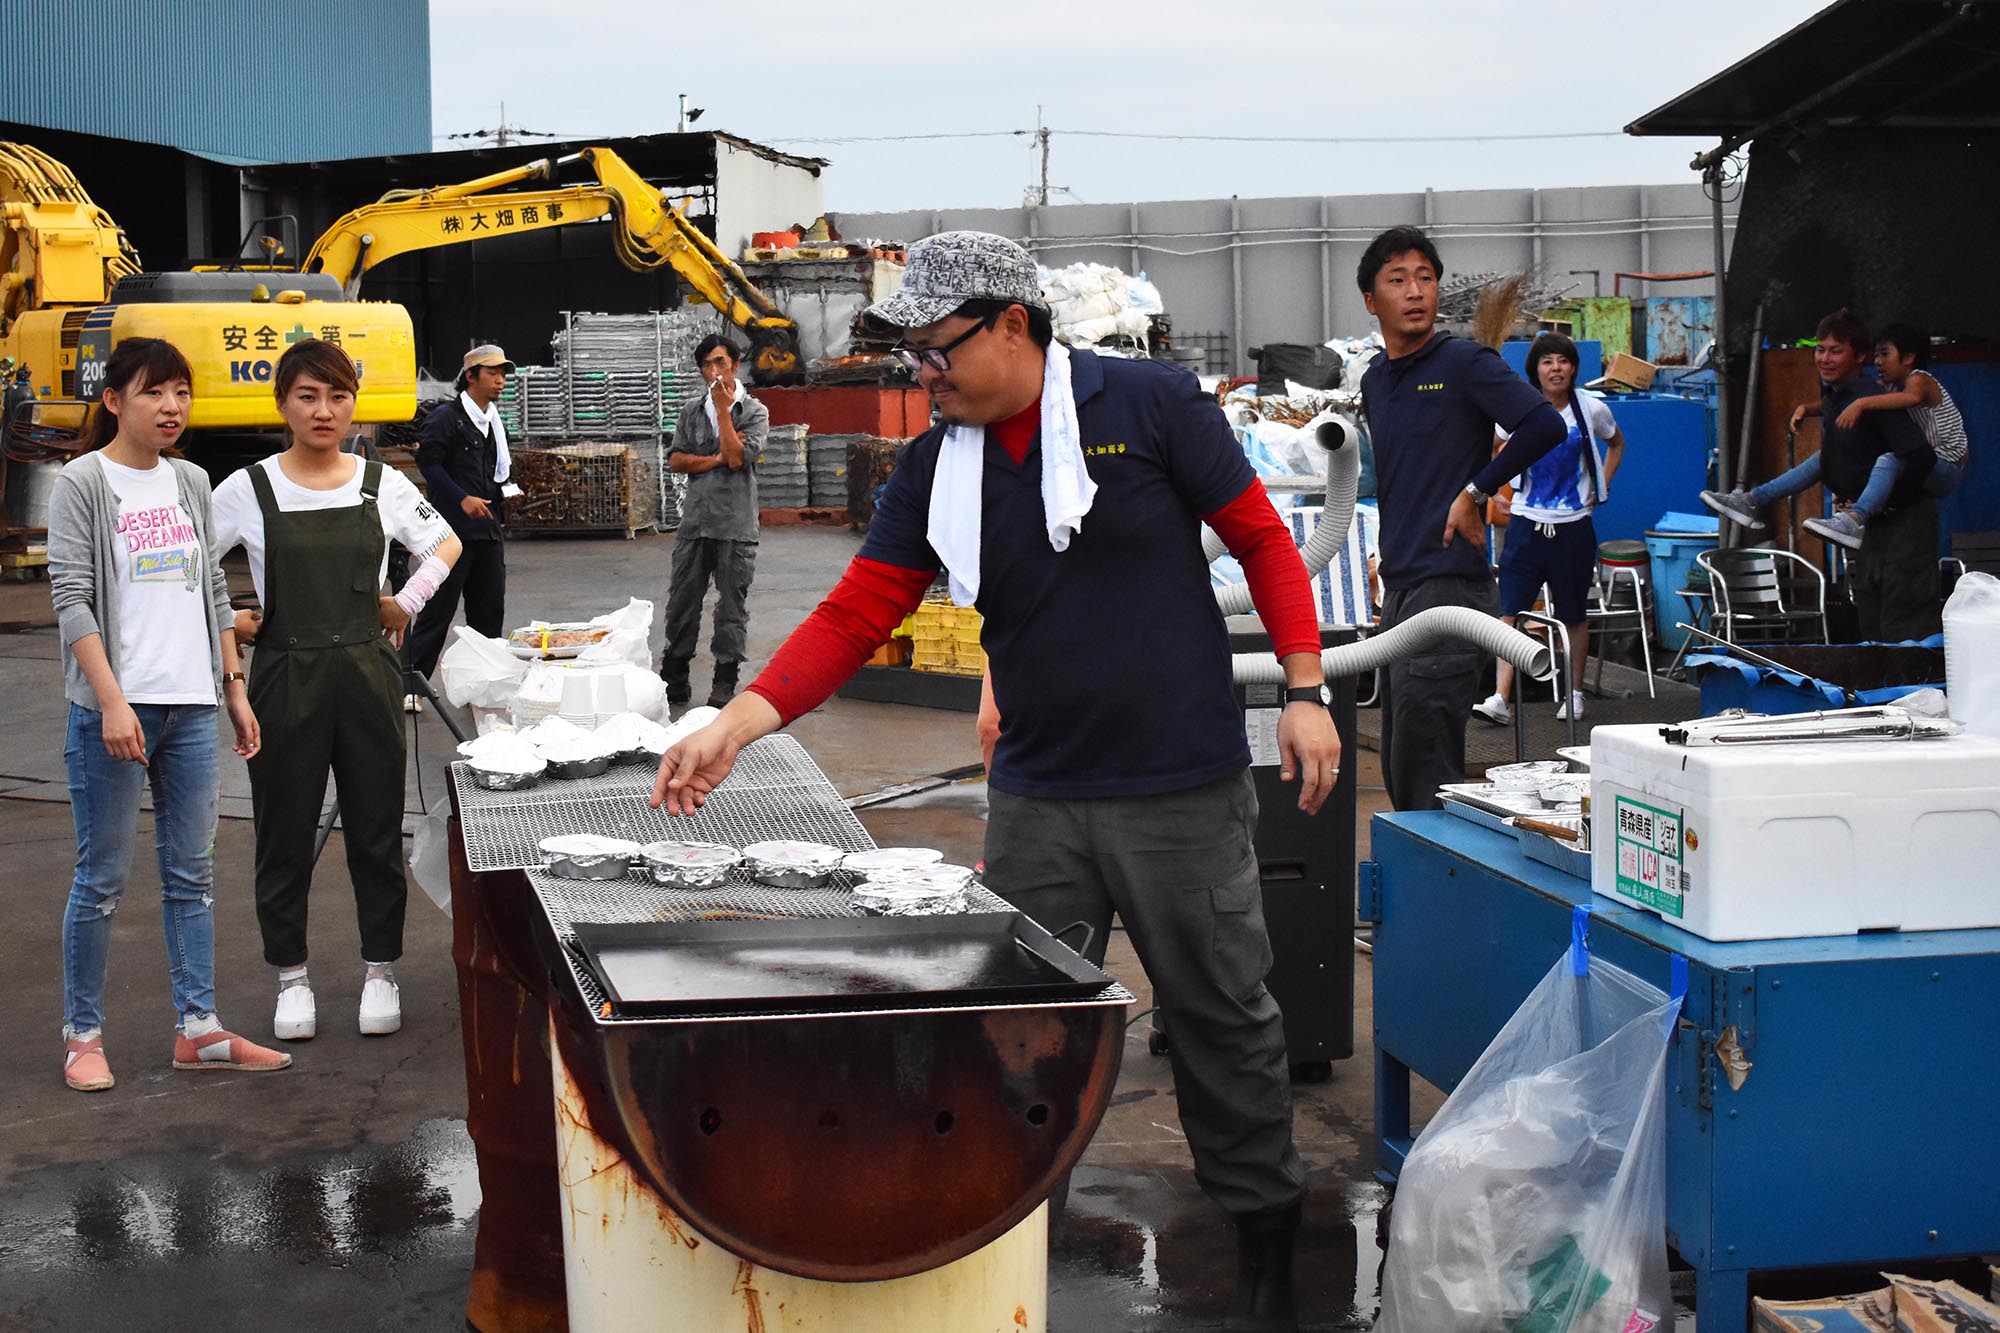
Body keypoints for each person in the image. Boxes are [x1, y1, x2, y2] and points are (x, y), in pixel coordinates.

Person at [649, 230, 1340, 1326]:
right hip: (1038, 798)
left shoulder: (1150, 407)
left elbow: (1258, 540)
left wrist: (1304, 689)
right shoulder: (937, 466)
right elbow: (855, 610)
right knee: (1015, 1033)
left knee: (1220, 1017)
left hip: (1178, 789)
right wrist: (737, 721)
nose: (923, 374)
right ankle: (1012, 1249)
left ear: (1010, 325)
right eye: (912, 355)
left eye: (935, 350)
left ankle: (1262, 1241)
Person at [46, 336, 291, 1091]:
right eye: (155, 391)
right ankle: (82, 1035)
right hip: (114, 711)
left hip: (189, 708)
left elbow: (215, 591)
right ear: (114, 400)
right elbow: (70, 598)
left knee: (192, 875)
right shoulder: (81, 482)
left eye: (182, 391)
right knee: (103, 878)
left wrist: (234, 686)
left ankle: (199, 1028)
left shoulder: (190, 480)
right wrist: (112, 701)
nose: (173, 405)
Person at [213, 339, 461, 1042]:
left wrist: (407, 600)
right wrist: (227, 623)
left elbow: (446, 543)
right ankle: (291, 976)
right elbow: (188, 563)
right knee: (283, 832)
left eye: (338, 395)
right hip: (284, 677)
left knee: (376, 830)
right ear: (282, 403)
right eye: (308, 396)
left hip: (366, 676)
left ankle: (380, 969)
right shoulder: (248, 488)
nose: (325, 411)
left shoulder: (381, 484)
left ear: (355, 402)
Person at [1355, 226, 1566, 810]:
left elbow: (1544, 425)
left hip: (1450, 585)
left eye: (1426, 277)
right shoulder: (1376, 380)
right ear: (1372, 301)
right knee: (1400, 759)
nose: (1416, 290)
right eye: (1398, 280)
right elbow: (1402, 479)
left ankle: (1433, 895)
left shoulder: (1463, 361)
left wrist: (1476, 490)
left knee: (1426, 768)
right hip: (1399, 587)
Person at [1701, 309, 1940, 639]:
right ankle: (1753, 501)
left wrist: (1888, 500)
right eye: (1820, 349)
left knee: (1902, 621)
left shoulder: (1873, 399)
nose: (1825, 359)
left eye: (1835, 351)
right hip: (1873, 528)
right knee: (1870, 617)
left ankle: (1914, 689)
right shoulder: (1833, 398)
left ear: (1860, 357)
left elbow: (1920, 455)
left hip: (1907, 524)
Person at [1473, 331, 1626, 725]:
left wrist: (1601, 487)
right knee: (1508, 614)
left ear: (1573, 367)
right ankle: (1500, 698)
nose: (1555, 368)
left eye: (1562, 361)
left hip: (1573, 526)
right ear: (1535, 371)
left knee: (1573, 614)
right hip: (1525, 523)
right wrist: (1494, 494)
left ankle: (1573, 694)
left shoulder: (1591, 409)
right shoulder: (1522, 410)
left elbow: (1617, 443)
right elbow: (1493, 446)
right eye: (1546, 362)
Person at [660, 334, 770, 709]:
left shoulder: (754, 412)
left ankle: (725, 680)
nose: (714, 372)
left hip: (735, 525)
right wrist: (717, 458)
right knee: (682, 602)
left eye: (720, 362)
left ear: (735, 364)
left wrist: (723, 412)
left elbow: (740, 458)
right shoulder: (691, 411)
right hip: (695, 522)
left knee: (731, 606)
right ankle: (674, 676)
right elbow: (676, 460)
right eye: (707, 365)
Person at [404, 344, 512, 709]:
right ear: (470, 376)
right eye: (492, 372)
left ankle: (481, 686)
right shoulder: (446, 418)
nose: (500, 380)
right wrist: (461, 497)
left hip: (488, 530)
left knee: (488, 612)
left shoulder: (493, 420)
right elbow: (429, 463)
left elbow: (496, 470)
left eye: (503, 373)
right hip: (450, 533)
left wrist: (506, 491)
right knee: (438, 610)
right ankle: (411, 687)